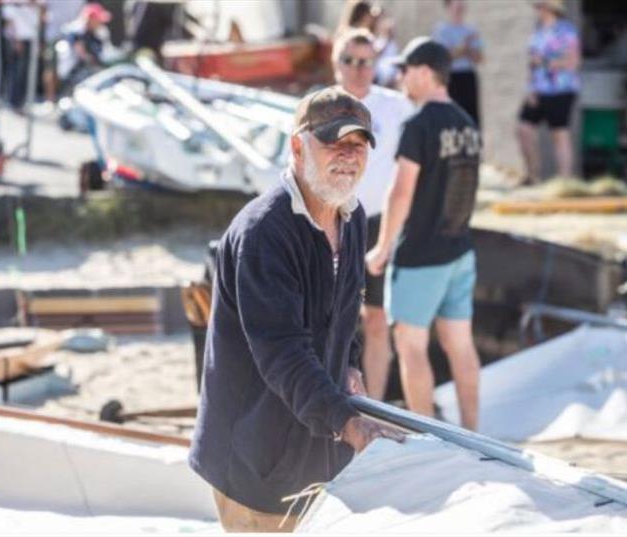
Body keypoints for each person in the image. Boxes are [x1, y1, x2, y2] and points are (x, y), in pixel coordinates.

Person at [189, 86, 405, 533]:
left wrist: (347, 364)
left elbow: (344, 312)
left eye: (358, 145)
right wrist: (349, 422)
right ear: (296, 146)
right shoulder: (264, 232)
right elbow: (283, 353)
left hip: (314, 445)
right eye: (333, 143)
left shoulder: (351, 216)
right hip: (255, 454)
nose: (347, 156)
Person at [366, 37, 481, 430]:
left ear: (425, 72)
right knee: (460, 345)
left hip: (421, 255)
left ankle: (428, 438)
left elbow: (401, 193)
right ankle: (474, 433)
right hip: (461, 250)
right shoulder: (467, 125)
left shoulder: (418, 125)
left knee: (411, 346)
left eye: (405, 69)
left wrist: (381, 247)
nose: (400, 77)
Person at [331, 28, 414, 400]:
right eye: (349, 60)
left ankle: (377, 405)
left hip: (379, 222)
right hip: (331, 219)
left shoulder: (395, 107)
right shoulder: (322, 106)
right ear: (336, 63)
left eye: (365, 61)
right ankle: (333, 399)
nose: (358, 69)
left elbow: (413, 167)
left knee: (377, 318)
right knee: (331, 316)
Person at [516, 0, 580, 183]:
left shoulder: (567, 30)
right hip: (538, 90)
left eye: (539, 5)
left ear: (550, 8)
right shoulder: (537, 31)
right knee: (524, 129)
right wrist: (530, 89)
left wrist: (545, 62)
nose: (536, 9)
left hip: (561, 89)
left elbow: (573, 62)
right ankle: (532, 175)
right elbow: (532, 64)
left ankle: (565, 180)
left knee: (559, 133)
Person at [432, 0, 483, 129]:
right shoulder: (441, 30)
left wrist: (461, 50)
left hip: (468, 76)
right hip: (450, 78)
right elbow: (445, 56)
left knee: (471, 117)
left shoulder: (471, 29)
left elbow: (479, 57)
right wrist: (465, 46)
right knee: (451, 117)